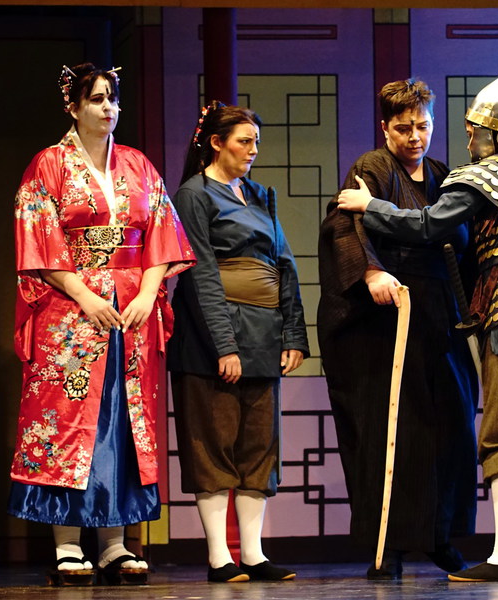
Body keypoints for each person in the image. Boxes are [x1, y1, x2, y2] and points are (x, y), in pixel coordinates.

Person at [337, 59, 498, 582]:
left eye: (473, 131)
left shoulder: (486, 172)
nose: (468, 140)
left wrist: (371, 205)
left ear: (491, 132)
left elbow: (430, 224)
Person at [8, 63, 195, 586]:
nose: (108, 108)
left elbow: (162, 234)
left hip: (132, 310)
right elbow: (39, 242)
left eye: (112, 98)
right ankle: (68, 544)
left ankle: (115, 543)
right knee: (69, 421)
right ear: (73, 107)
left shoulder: (138, 164)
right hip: (70, 310)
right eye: (95, 99)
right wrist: (85, 295)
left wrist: (150, 292)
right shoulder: (48, 165)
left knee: (122, 420)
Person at [317, 80, 479, 580]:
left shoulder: (443, 175)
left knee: (450, 424)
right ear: (385, 127)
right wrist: (371, 271)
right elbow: (344, 223)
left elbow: (460, 235)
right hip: (385, 315)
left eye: (423, 126)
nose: (415, 137)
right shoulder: (372, 168)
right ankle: (386, 543)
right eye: (404, 128)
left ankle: (439, 536)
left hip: (439, 312)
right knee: (390, 429)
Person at [168, 101, 309, 583]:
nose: (253, 150)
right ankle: (218, 557)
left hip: (263, 333)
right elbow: (201, 272)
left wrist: (293, 334)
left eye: (256, 142)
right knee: (213, 443)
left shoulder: (258, 195)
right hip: (213, 336)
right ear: (216, 143)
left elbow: (285, 264)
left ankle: (253, 554)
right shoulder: (194, 194)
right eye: (244, 141)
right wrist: (223, 345)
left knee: (258, 446)